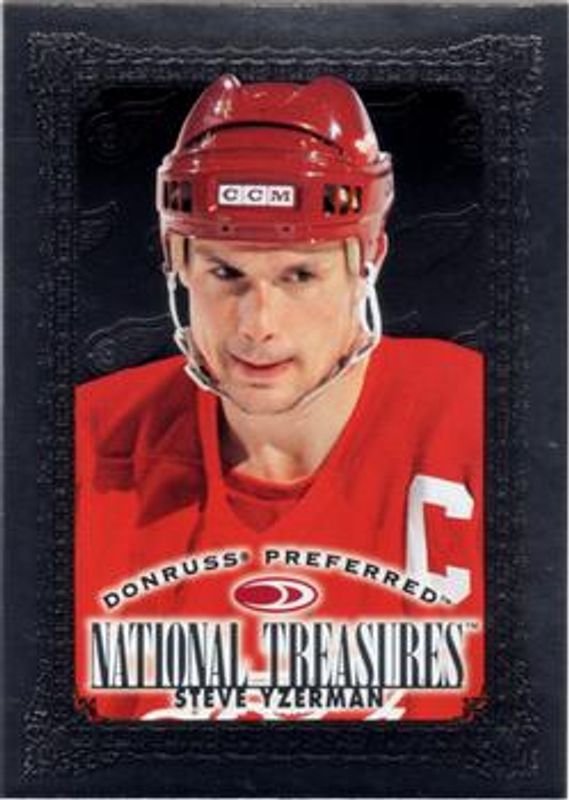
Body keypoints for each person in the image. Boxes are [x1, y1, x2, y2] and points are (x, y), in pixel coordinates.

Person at [75, 75, 484, 722]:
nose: (258, 325)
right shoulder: (80, 448)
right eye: (226, 273)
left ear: (369, 261)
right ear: (176, 261)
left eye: (299, 274)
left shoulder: (489, 425)